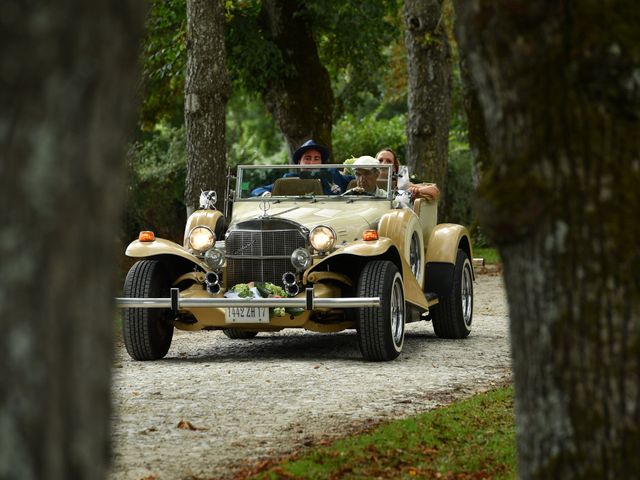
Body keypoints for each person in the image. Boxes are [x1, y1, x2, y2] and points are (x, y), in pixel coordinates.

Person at [251, 139, 352, 196]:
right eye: (307, 158)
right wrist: (265, 194)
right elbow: (257, 190)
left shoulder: (333, 174)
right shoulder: (289, 179)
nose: (312, 163)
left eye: (316, 159)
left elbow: (358, 180)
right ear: (299, 163)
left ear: (322, 163)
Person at [375, 148, 440, 202]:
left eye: (388, 161)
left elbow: (434, 191)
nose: (383, 163)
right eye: (380, 160)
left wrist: (417, 190)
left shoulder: (401, 184)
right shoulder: (367, 181)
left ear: (394, 168)